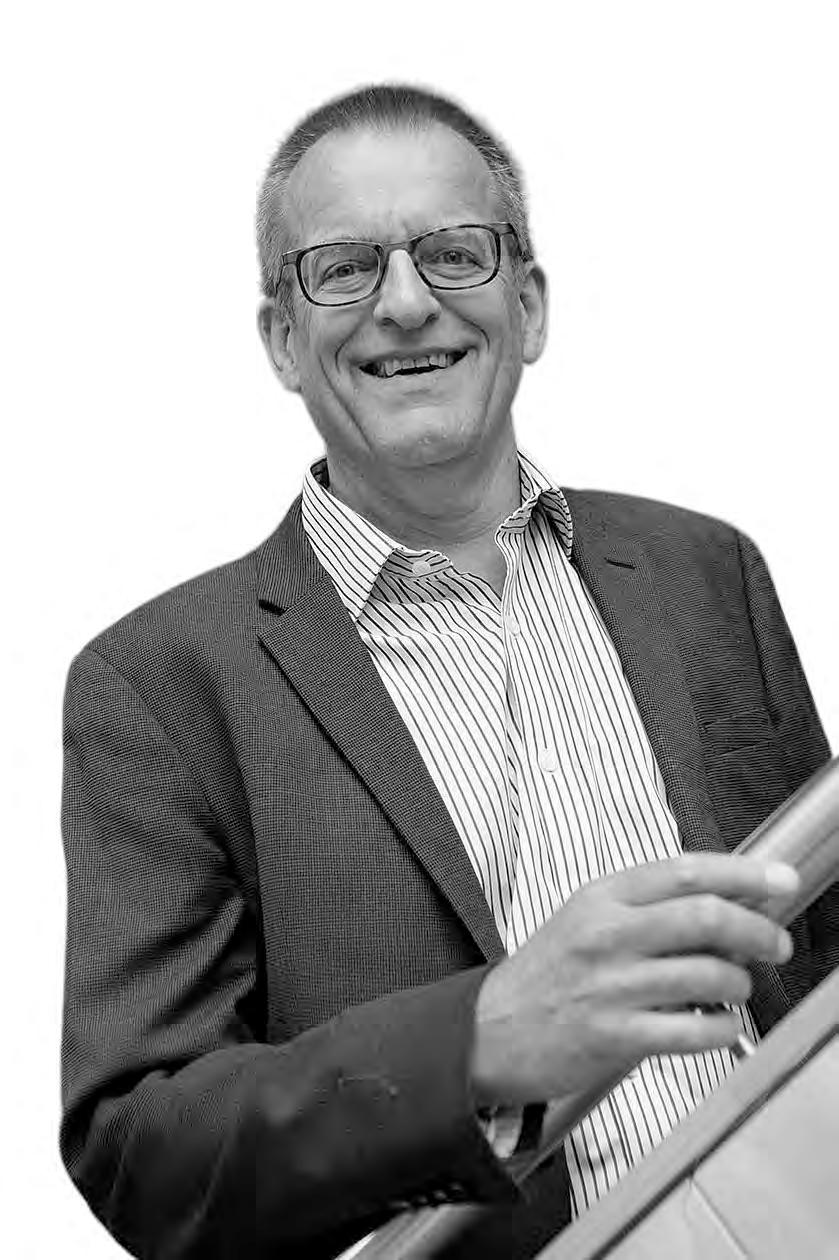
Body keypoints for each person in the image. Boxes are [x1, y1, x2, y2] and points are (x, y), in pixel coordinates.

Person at [60, 83, 838, 1260]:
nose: (405, 303)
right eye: (343, 269)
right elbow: (143, 1153)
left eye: (453, 253)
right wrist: (475, 1042)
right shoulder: (160, 687)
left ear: (527, 305)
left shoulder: (701, 570)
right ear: (280, 339)